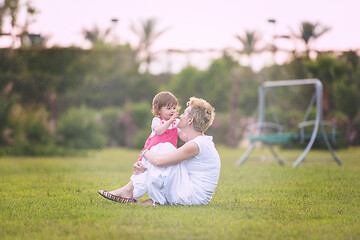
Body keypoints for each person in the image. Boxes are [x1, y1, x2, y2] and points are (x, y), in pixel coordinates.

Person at [98, 97, 220, 206]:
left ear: (190, 120)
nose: (179, 115)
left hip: (192, 196)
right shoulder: (199, 142)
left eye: (183, 113)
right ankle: (136, 192)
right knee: (162, 150)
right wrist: (144, 165)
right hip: (190, 192)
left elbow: (160, 161)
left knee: (165, 147)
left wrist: (145, 153)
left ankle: (131, 191)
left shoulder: (196, 144)